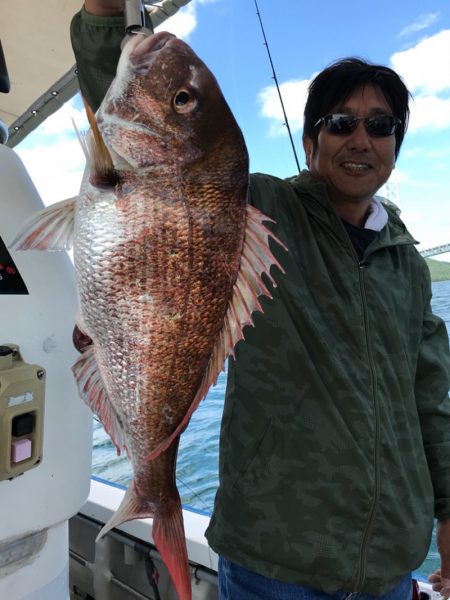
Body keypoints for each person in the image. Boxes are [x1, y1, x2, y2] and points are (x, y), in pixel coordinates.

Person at [70, 2, 450, 599]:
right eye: (340, 121)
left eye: (380, 126)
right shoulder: (260, 209)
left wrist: (447, 519)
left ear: (396, 144)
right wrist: (103, 17)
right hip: (271, 561)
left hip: (390, 568)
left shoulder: (408, 263)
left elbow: (431, 403)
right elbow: (152, 152)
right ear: (310, 138)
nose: (360, 138)